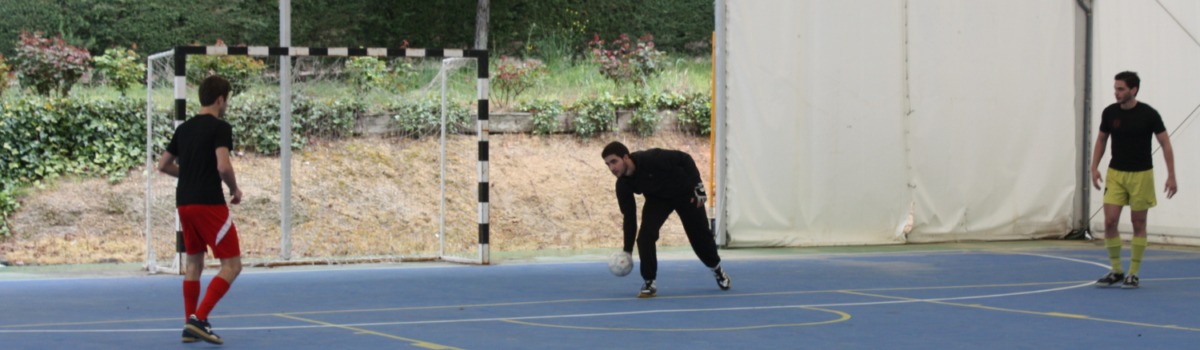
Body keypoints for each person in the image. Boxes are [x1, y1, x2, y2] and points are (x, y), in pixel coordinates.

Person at [158, 75, 243, 344]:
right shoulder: (220, 127)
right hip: (209, 203)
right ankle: (199, 319)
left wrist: (190, 173)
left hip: (184, 203)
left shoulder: (184, 129)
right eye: (227, 100)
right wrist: (234, 189)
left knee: (193, 263)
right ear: (220, 99)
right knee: (232, 264)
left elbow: (163, 165)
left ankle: (189, 326)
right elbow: (223, 166)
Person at [602, 141, 731, 298]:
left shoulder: (651, 158)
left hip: (684, 192)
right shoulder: (623, 184)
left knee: (700, 237)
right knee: (644, 237)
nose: (612, 168)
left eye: (614, 161)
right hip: (658, 199)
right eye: (608, 164)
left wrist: (698, 187)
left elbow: (685, 158)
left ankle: (716, 268)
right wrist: (627, 251)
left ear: (626, 157)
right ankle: (650, 282)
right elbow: (629, 218)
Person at [1091, 71, 1177, 289]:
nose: (1116, 92)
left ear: (1133, 90)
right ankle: (1117, 270)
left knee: (1138, 223)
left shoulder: (1149, 114)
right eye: (1115, 88)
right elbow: (1102, 139)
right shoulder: (1110, 113)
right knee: (1110, 221)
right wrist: (1094, 167)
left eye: (1120, 88)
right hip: (1116, 174)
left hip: (1141, 175)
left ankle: (1133, 273)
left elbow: (1165, 144)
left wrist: (1171, 176)